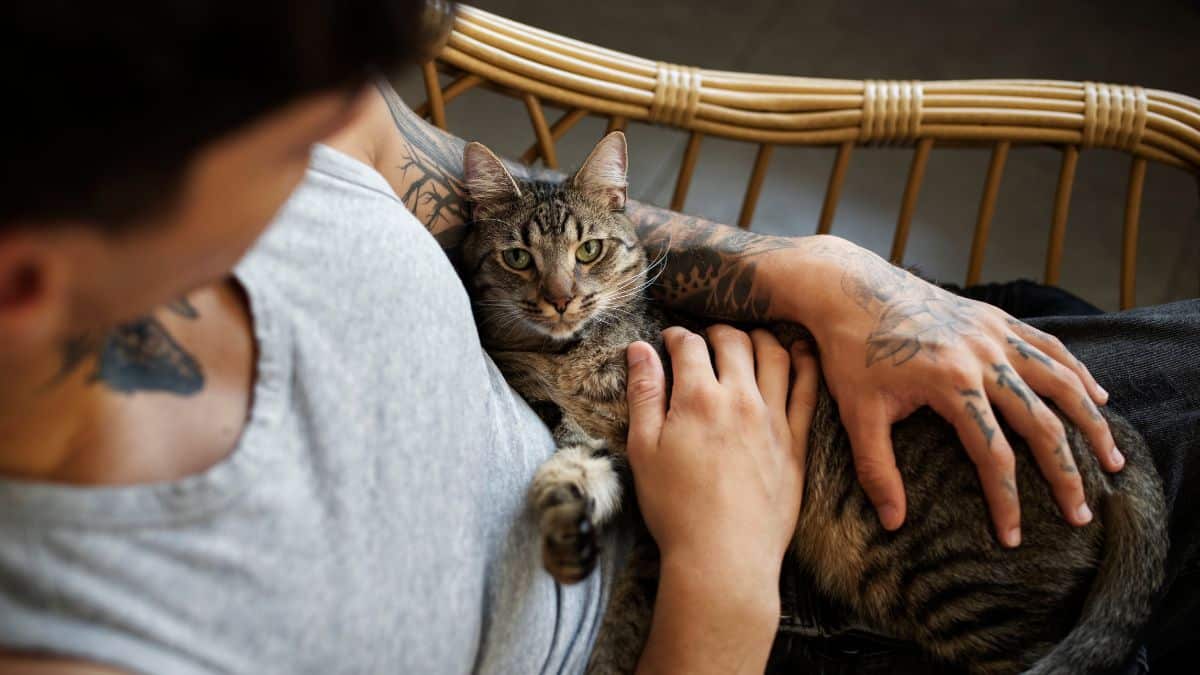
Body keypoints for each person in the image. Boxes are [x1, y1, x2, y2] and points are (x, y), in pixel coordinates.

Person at [0, 1, 1194, 672]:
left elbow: (485, 191)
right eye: (279, 157)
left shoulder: (176, 102)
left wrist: (811, 272)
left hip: (767, 411)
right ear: (28, 283)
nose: (325, 153)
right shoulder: (90, 634)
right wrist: (726, 568)